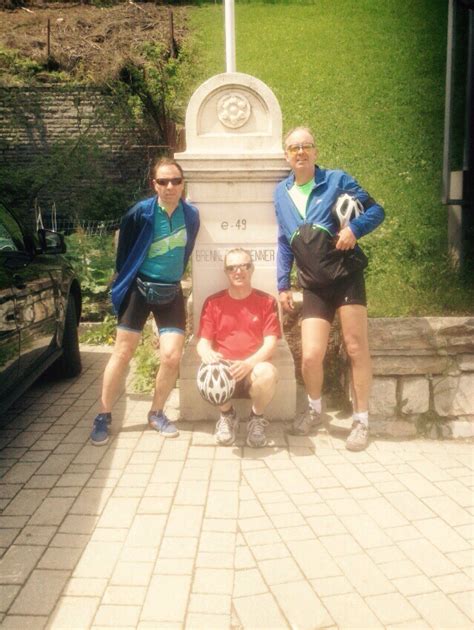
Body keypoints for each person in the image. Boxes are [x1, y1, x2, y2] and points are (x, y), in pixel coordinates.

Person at [274, 127, 385, 451]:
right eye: (294, 148)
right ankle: (314, 410)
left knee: (354, 347)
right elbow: (284, 241)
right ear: (286, 155)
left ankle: (361, 420)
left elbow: (376, 210)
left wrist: (354, 228)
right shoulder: (281, 193)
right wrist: (282, 283)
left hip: (345, 276)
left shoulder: (337, 180)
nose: (300, 152)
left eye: (306, 146)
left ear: (315, 151)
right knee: (310, 356)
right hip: (313, 284)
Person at [89, 157, 200, 445]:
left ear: (182, 183)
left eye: (175, 180)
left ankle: (156, 412)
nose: (170, 186)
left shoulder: (191, 216)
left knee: (172, 355)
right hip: (139, 289)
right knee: (123, 353)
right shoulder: (140, 213)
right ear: (155, 184)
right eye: (163, 181)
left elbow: (186, 251)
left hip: (170, 291)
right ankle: (103, 414)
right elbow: (124, 252)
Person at [196, 248, 281, 448]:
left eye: (244, 266)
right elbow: (203, 342)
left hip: (253, 369)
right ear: (226, 272)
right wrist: (206, 352)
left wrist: (248, 364)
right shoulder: (213, 302)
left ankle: (256, 418)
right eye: (232, 267)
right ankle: (227, 416)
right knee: (207, 371)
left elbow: (271, 343)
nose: (238, 271)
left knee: (268, 372)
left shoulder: (266, 301)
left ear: (252, 269)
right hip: (225, 370)